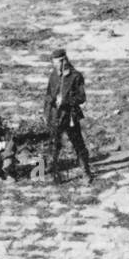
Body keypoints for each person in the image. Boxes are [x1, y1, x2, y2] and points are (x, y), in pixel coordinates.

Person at [43, 49, 94, 184]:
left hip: (70, 116)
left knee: (78, 144)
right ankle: (52, 172)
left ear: (65, 60)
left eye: (60, 62)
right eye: (55, 63)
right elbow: (48, 94)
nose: (58, 66)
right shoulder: (53, 75)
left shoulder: (76, 76)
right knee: (54, 145)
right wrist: (47, 111)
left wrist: (65, 100)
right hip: (55, 116)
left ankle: (85, 172)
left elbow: (82, 98)